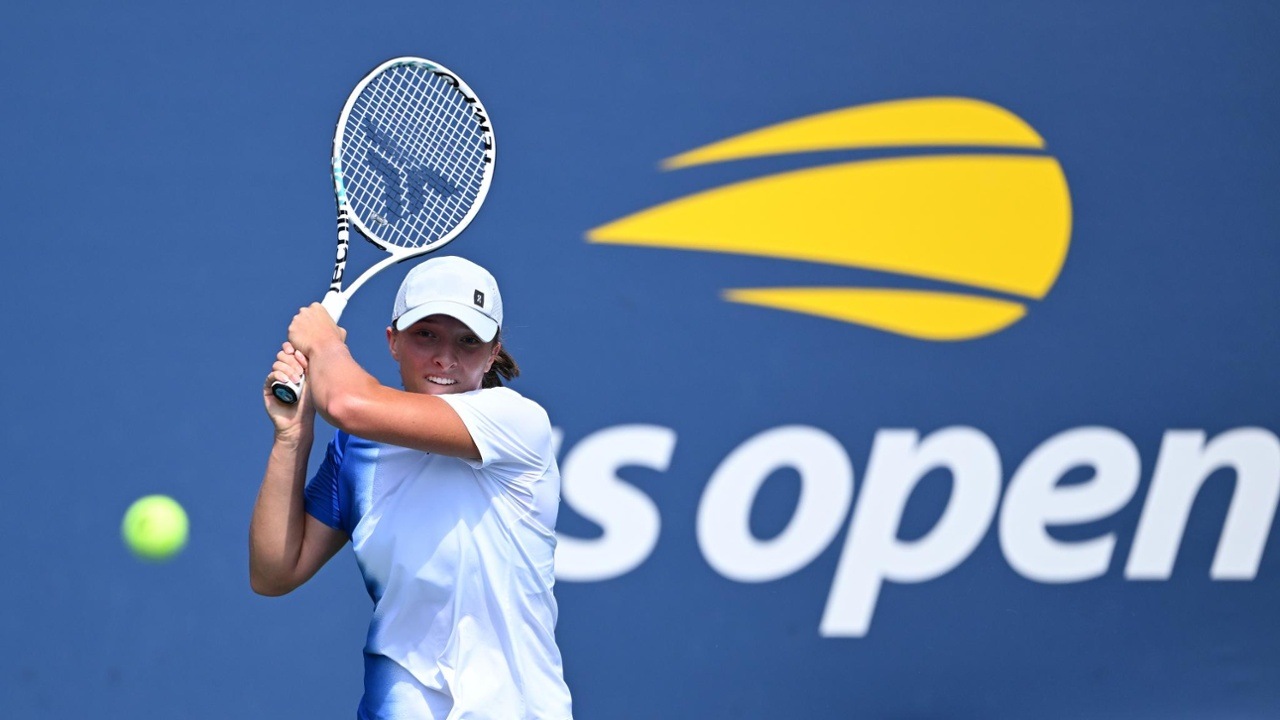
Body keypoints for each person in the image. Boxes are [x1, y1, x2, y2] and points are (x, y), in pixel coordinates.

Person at [249, 256, 573, 720]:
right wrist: (292, 436)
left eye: (468, 340)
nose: (446, 358)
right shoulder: (357, 451)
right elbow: (274, 573)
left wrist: (322, 341)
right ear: (393, 341)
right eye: (426, 335)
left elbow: (346, 402)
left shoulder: (517, 421)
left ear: (493, 353)